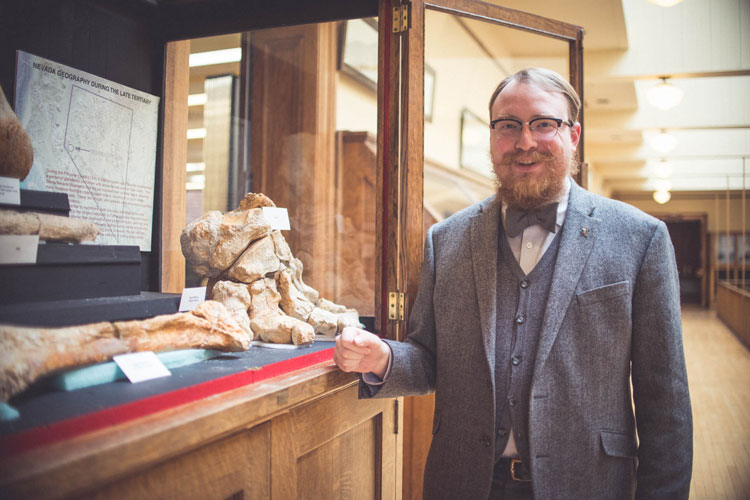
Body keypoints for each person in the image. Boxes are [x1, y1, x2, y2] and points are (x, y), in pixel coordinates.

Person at [334, 67, 692, 500]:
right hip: (464, 483)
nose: (524, 141)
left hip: (587, 484)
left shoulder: (640, 238)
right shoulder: (445, 240)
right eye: (508, 126)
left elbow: (665, 401)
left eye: (544, 124)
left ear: (573, 135)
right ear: (492, 137)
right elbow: (429, 359)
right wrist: (382, 358)